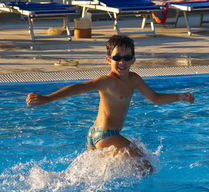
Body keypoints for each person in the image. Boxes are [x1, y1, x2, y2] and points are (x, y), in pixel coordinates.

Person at [26, 35, 194, 174]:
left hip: (97, 135)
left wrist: (180, 97)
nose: (122, 62)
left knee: (104, 175)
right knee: (146, 167)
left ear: (133, 60)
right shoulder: (106, 81)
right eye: (117, 58)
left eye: (127, 58)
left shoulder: (134, 79)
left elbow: (155, 98)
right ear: (108, 59)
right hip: (105, 135)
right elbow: (78, 88)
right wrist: (46, 98)